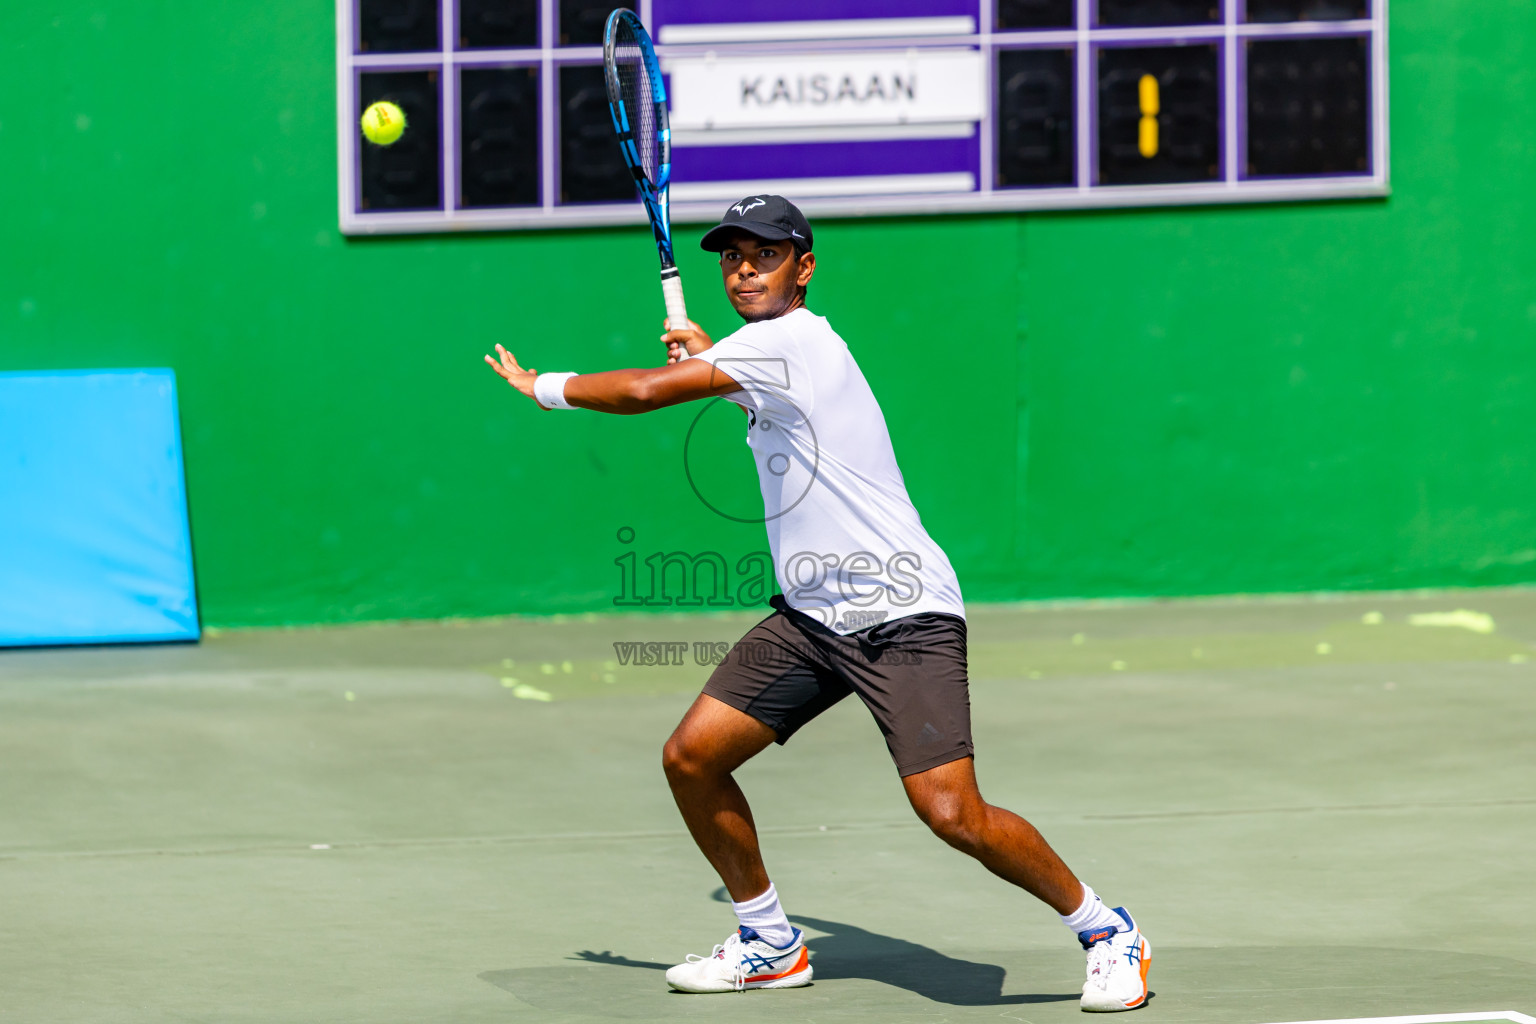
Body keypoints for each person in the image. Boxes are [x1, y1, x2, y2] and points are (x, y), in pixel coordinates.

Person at [484, 195, 1151, 1010]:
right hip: (813, 617)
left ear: (803, 268)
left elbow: (647, 393)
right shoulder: (766, 355)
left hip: (902, 608)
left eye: (763, 255)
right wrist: (718, 361)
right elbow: (765, 401)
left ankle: (1106, 928)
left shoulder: (794, 338)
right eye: (731, 257)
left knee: (951, 812)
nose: (742, 270)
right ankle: (768, 941)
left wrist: (547, 386)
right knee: (691, 758)